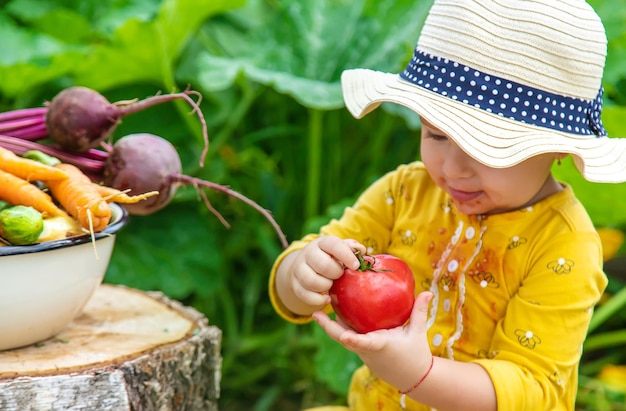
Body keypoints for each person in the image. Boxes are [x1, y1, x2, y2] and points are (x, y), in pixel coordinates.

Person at [268, 0, 626, 409]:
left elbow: (531, 388)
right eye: (436, 136)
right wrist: (303, 275)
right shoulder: (405, 191)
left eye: (486, 149)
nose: (453, 168)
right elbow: (308, 274)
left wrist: (417, 375)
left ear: (559, 150)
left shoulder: (563, 246)